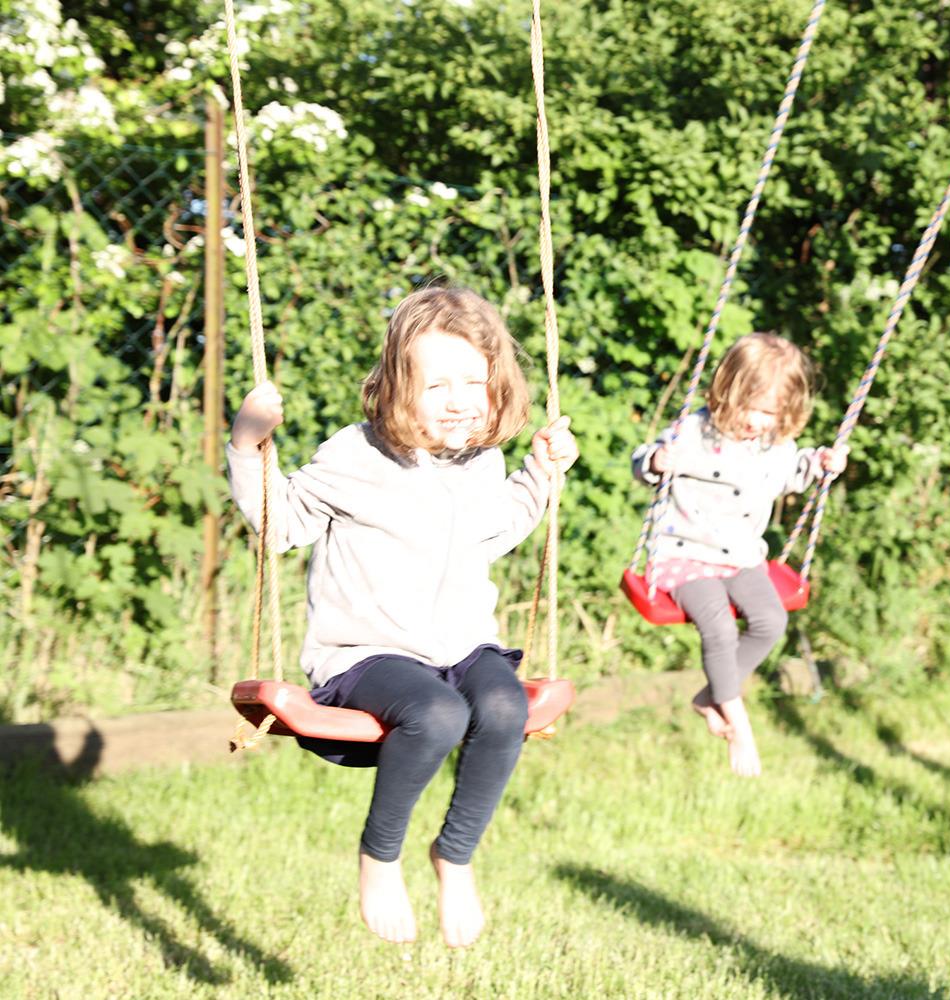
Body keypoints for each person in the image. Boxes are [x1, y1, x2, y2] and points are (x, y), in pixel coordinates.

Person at [227, 286, 578, 948]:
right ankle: (380, 856)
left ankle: (456, 854)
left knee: (504, 704)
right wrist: (248, 447)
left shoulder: (481, 460)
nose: (459, 400)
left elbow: (495, 532)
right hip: (367, 656)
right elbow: (283, 524)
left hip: (461, 646)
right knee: (438, 714)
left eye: (474, 382)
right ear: (396, 385)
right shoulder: (354, 455)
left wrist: (540, 473)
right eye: (436, 384)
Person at [632, 332, 847, 777]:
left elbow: (794, 473)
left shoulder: (774, 446)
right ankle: (739, 722)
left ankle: (710, 696)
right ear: (727, 390)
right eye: (750, 407)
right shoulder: (693, 432)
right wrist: (655, 462)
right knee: (719, 627)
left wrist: (822, 464)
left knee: (772, 621)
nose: (756, 420)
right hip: (685, 553)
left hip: (742, 556)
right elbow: (643, 461)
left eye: (770, 413)